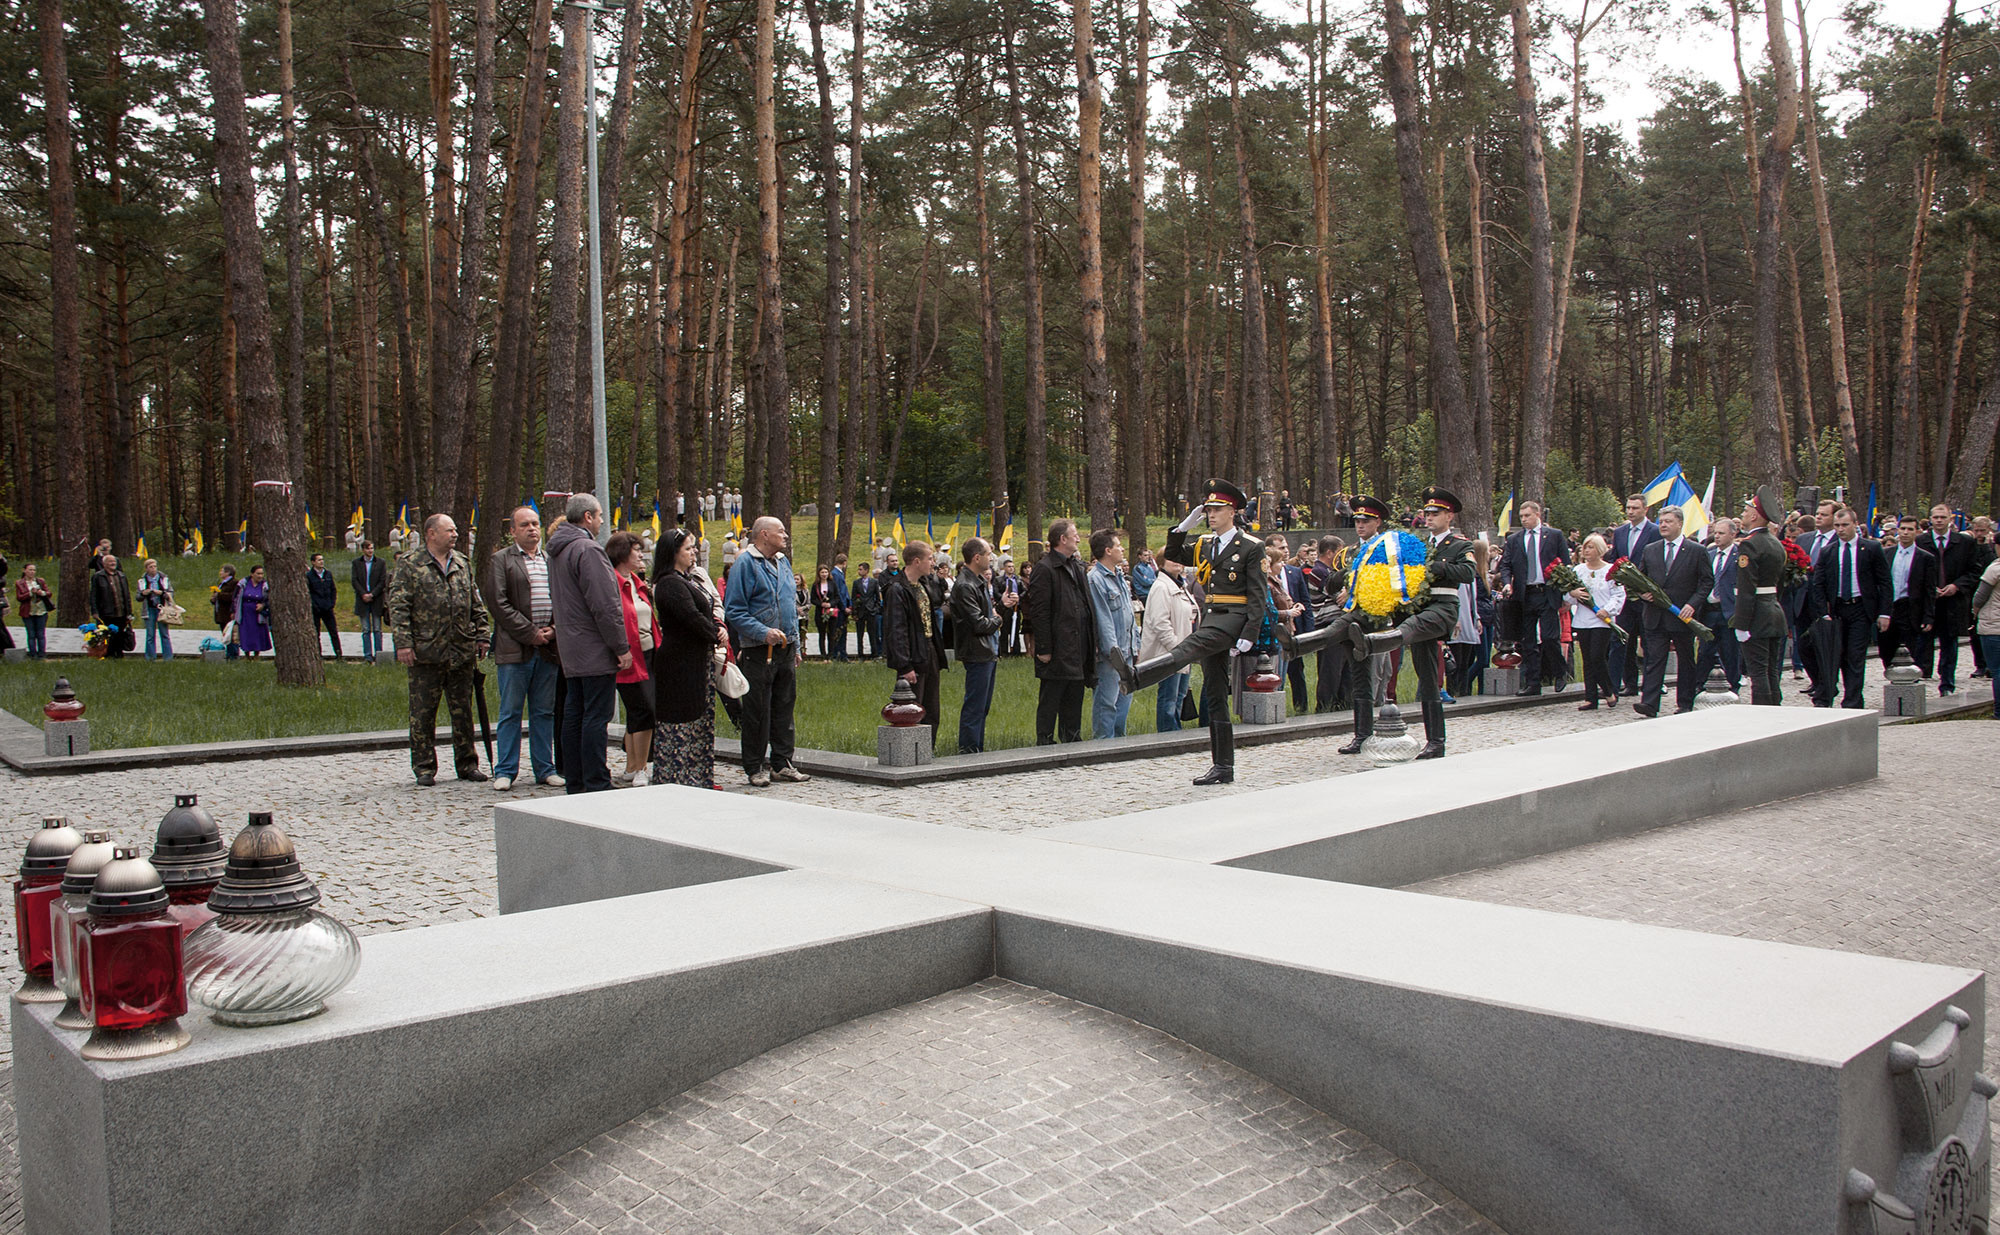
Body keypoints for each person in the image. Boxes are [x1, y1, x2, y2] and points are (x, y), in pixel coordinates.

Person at [1123, 480, 1270, 785]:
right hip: (1213, 617)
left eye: (1217, 509)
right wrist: (1184, 526)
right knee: (1215, 695)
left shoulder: (1250, 546)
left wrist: (1250, 633)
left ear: (1232, 512)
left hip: (1234, 618)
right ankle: (1223, 766)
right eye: (1208, 510)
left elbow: (1258, 594)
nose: (1211, 515)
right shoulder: (1206, 544)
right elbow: (1173, 553)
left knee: (1191, 645)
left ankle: (1138, 676)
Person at [1338, 487, 1476, 758]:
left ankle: (1376, 642)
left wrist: (1432, 566)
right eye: (1427, 513)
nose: (1429, 517)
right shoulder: (1418, 544)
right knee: (1428, 678)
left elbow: (1468, 573)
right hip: (1417, 608)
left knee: (1410, 633)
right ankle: (1435, 741)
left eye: (1435, 513)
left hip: (1441, 607)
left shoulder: (1459, 544)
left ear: (1449, 516)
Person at [387, 513, 491, 786]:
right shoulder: (410, 564)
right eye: (449, 530)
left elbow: (475, 602)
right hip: (426, 652)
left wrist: (482, 635)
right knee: (422, 713)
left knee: (463, 712)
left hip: (460, 650)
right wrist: (404, 643)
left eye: (455, 530)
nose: (455, 534)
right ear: (431, 533)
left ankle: (467, 764)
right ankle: (424, 767)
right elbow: (398, 607)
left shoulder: (462, 563)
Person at [548, 495, 632, 795]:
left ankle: (576, 779)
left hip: (571, 647)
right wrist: (620, 646)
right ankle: (596, 780)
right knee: (596, 716)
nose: (601, 522)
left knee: (574, 713)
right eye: (599, 516)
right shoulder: (588, 549)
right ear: (587, 517)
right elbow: (605, 605)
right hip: (594, 647)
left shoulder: (557, 550)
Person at [725, 516, 810, 787]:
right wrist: (763, 632)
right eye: (780, 531)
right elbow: (734, 610)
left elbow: (789, 606)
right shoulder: (745, 564)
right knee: (757, 711)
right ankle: (754, 766)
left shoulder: (782, 561)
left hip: (785, 649)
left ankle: (782, 763)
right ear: (764, 534)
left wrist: (795, 644)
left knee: (784, 707)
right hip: (759, 650)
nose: (785, 535)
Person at [484, 505, 563, 792]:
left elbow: (564, 597)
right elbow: (498, 603)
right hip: (515, 649)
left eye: (535, 523)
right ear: (513, 531)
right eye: (525, 525)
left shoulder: (550, 559)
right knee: (511, 711)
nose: (531, 529)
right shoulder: (501, 560)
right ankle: (505, 770)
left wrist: (554, 629)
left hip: (548, 648)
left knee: (544, 711)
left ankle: (545, 768)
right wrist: (530, 633)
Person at [649, 528, 724, 786]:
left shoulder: (687, 579)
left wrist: (717, 628)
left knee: (698, 721)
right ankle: (676, 777)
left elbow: (707, 609)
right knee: (681, 723)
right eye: (688, 548)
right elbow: (691, 616)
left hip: (696, 659)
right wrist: (715, 634)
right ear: (674, 553)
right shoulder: (669, 583)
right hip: (679, 663)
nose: (693, 552)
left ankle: (697, 777)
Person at [1634, 505, 1713, 717]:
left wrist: (1693, 604)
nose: (1663, 525)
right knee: (1654, 659)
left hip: (1682, 615)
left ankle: (1685, 702)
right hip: (1655, 615)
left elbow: (1706, 582)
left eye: (1668, 521)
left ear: (1680, 523)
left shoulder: (1696, 550)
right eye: (1661, 522)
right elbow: (1640, 578)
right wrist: (1642, 593)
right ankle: (1649, 703)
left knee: (1685, 660)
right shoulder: (1651, 549)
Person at [1809, 504, 1891, 710]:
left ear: (1855, 524)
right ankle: (1827, 694)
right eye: (1837, 525)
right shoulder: (1828, 551)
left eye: (1845, 525)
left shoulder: (1871, 549)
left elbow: (1884, 581)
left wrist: (1884, 612)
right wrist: (1823, 612)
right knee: (1835, 653)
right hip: (1837, 610)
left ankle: (1853, 701)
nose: (1840, 529)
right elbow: (1818, 584)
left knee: (1855, 655)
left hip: (1861, 607)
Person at [1024, 519, 1097, 745]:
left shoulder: (1076, 567)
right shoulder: (1045, 569)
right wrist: (1044, 648)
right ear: (1062, 539)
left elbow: (1086, 606)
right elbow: (1040, 613)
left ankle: (1072, 738)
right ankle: (1045, 742)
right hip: (1057, 646)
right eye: (1074, 535)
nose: (1078, 538)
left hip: (1077, 645)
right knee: (1051, 697)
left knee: (1074, 696)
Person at [1498, 500, 1571, 695]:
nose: (1524, 520)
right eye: (1521, 516)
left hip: (1546, 592)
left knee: (1549, 637)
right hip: (1525, 594)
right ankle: (1533, 682)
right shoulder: (1515, 539)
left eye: (1527, 516)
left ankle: (1559, 671)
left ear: (1537, 515)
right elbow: (1506, 565)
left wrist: (1564, 593)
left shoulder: (1554, 535)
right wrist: (1507, 582)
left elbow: (1565, 564)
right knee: (1527, 640)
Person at [607, 532, 662, 786]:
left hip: (648, 653)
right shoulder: (612, 583)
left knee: (638, 711)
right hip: (628, 656)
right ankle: (640, 767)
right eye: (636, 550)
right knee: (643, 710)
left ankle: (631, 766)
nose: (641, 555)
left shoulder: (637, 582)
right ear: (622, 553)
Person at [1732, 485, 1790, 706]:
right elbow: (1780, 583)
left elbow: (1746, 588)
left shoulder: (1750, 545)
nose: (1743, 514)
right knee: (1771, 670)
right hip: (1773, 610)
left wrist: (1741, 623)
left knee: (1757, 671)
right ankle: (1774, 708)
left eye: (1746, 511)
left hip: (1756, 614)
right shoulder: (1776, 543)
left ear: (1755, 515)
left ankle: (1763, 712)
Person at [884, 540, 946, 740]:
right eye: (930, 559)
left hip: (929, 648)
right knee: (911, 707)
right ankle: (910, 748)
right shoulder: (897, 589)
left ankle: (928, 748)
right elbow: (897, 629)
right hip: (913, 653)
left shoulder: (923, 585)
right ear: (917, 561)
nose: (933, 563)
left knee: (932, 706)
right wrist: (905, 665)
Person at [1918, 504, 1980, 697]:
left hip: (1953, 602)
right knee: (1922, 642)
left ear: (1950, 519)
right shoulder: (1921, 541)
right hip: (1927, 602)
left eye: (1942, 517)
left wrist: (1957, 586)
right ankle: (1919, 678)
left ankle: (1947, 684)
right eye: (1935, 517)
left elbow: (1975, 570)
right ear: (1930, 519)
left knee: (1949, 643)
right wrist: (1929, 588)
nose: (1939, 520)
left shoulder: (1964, 542)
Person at [950, 537, 1003, 754]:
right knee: (975, 706)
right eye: (988, 554)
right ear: (977, 557)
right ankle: (969, 750)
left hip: (986, 650)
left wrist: (997, 613)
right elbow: (979, 624)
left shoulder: (977, 581)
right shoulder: (965, 585)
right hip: (976, 651)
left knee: (983, 707)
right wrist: (997, 619)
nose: (992, 558)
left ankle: (976, 748)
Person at [1565, 534, 1625, 710]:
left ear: (1599, 550)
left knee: (1597, 656)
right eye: (1585, 547)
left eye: (1590, 547)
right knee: (1587, 659)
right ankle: (1590, 697)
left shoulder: (1610, 571)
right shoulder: (1579, 570)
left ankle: (1608, 689)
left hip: (1601, 620)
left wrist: (1608, 610)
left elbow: (1618, 595)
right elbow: (1568, 594)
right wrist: (1573, 594)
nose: (1586, 551)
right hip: (1583, 620)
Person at [1087, 528, 1137, 740]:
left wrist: (1135, 645)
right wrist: (1113, 652)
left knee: (1124, 702)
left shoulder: (1119, 577)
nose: (1122, 549)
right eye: (1118, 545)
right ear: (1108, 550)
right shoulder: (1095, 579)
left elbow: (1129, 614)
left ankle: (1119, 744)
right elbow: (1102, 618)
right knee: (1106, 703)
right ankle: (1104, 746)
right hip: (1111, 656)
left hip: (1127, 651)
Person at [1139, 550, 1197, 732]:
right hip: (1169, 654)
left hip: (1184, 652)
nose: (1177, 562)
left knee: (1179, 697)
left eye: (1179, 558)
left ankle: (1175, 735)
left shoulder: (1181, 585)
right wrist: (1177, 650)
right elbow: (1160, 623)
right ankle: (1167, 737)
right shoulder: (1161, 587)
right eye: (1171, 559)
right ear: (1161, 562)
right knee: (1168, 699)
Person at [1876, 516, 1936, 675]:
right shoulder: (1886, 553)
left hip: (1909, 607)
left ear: (1917, 532)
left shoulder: (1925, 558)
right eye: (1902, 529)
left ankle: (1909, 678)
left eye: (1910, 529)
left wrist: (1928, 616)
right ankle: (1891, 673)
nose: (1905, 532)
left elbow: (1929, 590)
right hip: (1889, 606)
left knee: (1910, 647)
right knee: (1885, 647)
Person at [1690, 519, 1742, 694]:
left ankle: (1733, 686)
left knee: (1730, 652)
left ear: (1733, 534)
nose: (1717, 536)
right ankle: (1699, 685)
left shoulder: (1739, 555)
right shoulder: (1709, 554)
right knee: (1705, 652)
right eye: (1716, 533)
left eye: (1722, 533)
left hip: (1728, 611)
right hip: (1708, 612)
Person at [1267, 535, 1316, 712]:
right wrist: (1288, 612)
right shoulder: (1266, 580)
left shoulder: (1294, 572)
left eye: (1286, 547)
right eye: (1281, 548)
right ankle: (1276, 709)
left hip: (1294, 629)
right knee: (1278, 672)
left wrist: (1308, 630)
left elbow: (1305, 600)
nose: (1286, 551)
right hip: (1276, 631)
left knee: (1297, 670)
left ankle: (1301, 707)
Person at [1972, 548, 2000, 718]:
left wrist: (1975, 612)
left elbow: (1980, 597)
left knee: (1997, 670)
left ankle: (1999, 711)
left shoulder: (1995, 568)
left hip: (1994, 625)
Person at [90, 553, 133, 659]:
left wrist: (129, 612)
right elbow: (93, 595)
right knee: (108, 636)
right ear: (104, 564)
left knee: (120, 635)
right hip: (106, 612)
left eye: (114, 561)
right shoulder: (98, 576)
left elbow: (127, 595)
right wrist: (94, 611)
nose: (113, 563)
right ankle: (108, 655)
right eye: (110, 562)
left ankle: (119, 656)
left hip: (121, 612)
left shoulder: (121, 576)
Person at [352, 541, 388, 662]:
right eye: (368, 549)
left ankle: (378, 654)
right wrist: (363, 594)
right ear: (363, 550)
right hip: (362, 599)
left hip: (376, 599)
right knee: (366, 629)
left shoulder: (380, 562)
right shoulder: (357, 563)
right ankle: (367, 655)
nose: (370, 551)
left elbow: (382, 581)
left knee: (377, 628)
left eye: (372, 548)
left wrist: (372, 594)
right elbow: (354, 580)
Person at [137, 558, 175, 660]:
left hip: (162, 609)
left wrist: (162, 593)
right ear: (146, 569)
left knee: (164, 634)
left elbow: (171, 593)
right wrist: (143, 594)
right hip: (149, 609)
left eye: (155, 566)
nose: (153, 569)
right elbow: (138, 597)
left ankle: (168, 657)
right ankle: (150, 657)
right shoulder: (142, 581)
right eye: (151, 567)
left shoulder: (163, 579)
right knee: (150, 635)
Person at [305, 553, 342, 659]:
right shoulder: (309, 576)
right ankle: (318, 655)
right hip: (316, 609)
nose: (321, 562)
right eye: (318, 560)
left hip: (328, 608)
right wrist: (314, 605)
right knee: (316, 633)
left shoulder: (328, 574)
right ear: (313, 562)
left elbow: (333, 589)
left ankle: (339, 654)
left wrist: (332, 603)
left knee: (333, 632)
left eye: (322, 559)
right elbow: (309, 593)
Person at [235, 564, 272, 659]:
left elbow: (269, 599)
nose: (260, 576)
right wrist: (233, 611)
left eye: (261, 574)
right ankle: (247, 655)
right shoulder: (243, 584)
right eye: (258, 573)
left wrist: (263, 605)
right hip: (245, 613)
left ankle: (256, 656)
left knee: (257, 634)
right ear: (252, 574)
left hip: (257, 614)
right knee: (246, 633)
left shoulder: (265, 586)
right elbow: (236, 597)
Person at [17, 564, 52, 658]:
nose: (32, 572)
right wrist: (30, 593)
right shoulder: (20, 583)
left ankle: (42, 654)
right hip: (28, 611)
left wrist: (42, 593)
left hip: (41, 610)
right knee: (31, 634)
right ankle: (33, 654)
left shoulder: (40, 581)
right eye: (30, 570)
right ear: (24, 570)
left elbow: (49, 593)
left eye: (34, 570)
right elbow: (19, 597)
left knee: (41, 634)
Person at [811, 565, 844, 660]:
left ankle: (831, 654)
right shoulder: (815, 585)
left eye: (826, 572)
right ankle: (823, 654)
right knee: (822, 634)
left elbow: (837, 597)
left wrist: (830, 604)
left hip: (831, 612)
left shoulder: (832, 583)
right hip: (820, 612)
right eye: (822, 572)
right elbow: (813, 599)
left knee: (831, 633)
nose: (824, 574)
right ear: (819, 574)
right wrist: (821, 604)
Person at [850, 561, 881, 659]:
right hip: (861, 611)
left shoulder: (874, 582)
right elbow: (853, 598)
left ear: (866, 570)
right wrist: (854, 612)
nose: (859, 571)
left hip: (871, 610)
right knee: (860, 634)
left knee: (872, 633)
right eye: (858, 569)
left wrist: (876, 608)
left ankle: (874, 653)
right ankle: (860, 654)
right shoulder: (856, 583)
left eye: (861, 569)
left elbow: (877, 597)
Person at [995, 558, 1024, 654]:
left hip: (1016, 607)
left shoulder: (1018, 579)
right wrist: (1005, 599)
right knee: (1004, 630)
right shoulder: (999, 580)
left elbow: (1024, 590)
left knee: (1015, 630)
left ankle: (1016, 651)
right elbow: (996, 592)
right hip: (1004, 608)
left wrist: (1018, 598)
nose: (1011, 568)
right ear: (1004, 568)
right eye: (1009, 567)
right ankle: (1003, 651)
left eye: (1012, 567)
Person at [828, 554, 852, 662]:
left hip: (843, 606)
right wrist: (844, 607)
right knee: (839, 631)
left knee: (842, 631)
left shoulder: (838, 573)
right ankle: (839, 654)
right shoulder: (836, 574)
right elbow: (839, 593)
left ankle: (842, 653)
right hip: (840, 608)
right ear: (844, 562)